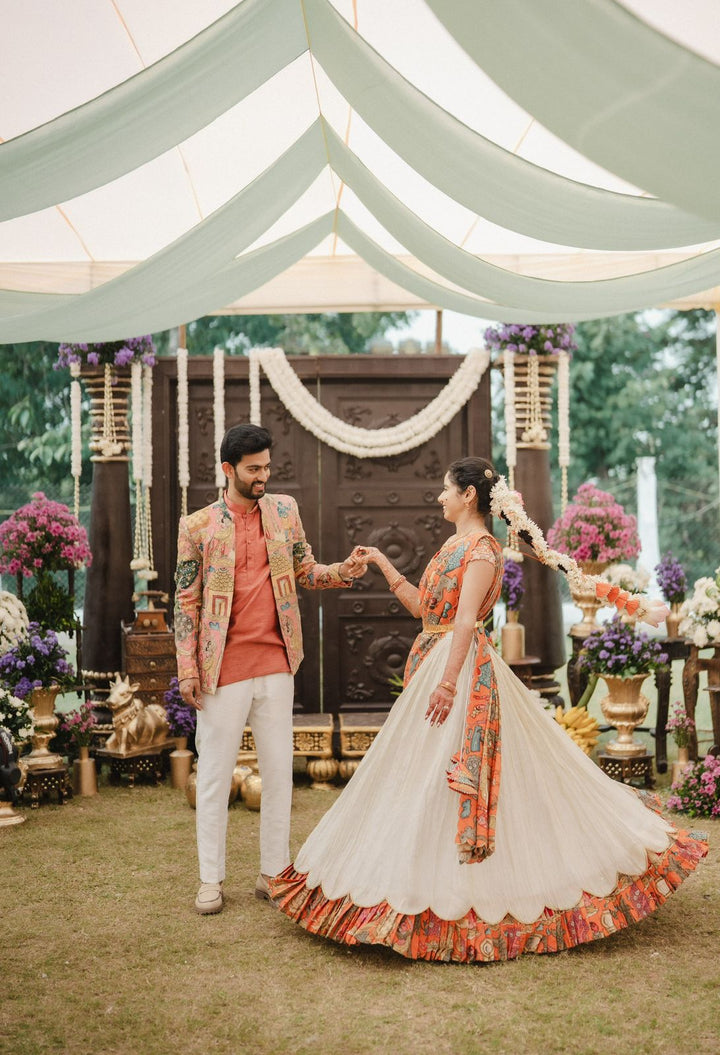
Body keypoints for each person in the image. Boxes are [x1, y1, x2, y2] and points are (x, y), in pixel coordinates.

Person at [269, 457, 708, 961]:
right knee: (420, 776)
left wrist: (449, 683)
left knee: (455, 773)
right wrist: (384, 566)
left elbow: (464, 624)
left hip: (459, 672)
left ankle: (470, 889)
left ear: (469, 496)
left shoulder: (480, 551)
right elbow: (424, 610)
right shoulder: (452, 546)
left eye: (445, 490)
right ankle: (414, 874)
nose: (440, 497)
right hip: (431, 663)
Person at [174, 423, 366, 915]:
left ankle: (274, 873)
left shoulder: (284, 512)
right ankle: (210, 881)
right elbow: (186, 601)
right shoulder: (196, 526)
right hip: (221, 670)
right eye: (253, 469)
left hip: (278, 663)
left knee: (280, 774)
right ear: (228, 470)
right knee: (215, 776)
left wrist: (342, 571)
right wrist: (188, 669)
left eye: (266, 467)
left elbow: (306, 571)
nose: (263, 476)